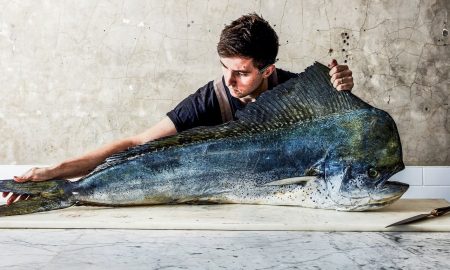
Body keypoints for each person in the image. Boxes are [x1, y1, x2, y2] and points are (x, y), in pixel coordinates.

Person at [3, 13, 353, 205]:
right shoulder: (208, 99)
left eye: (242, 73)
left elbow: (344, 140)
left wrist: (341, 92)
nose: (230, 81)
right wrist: (56, 171)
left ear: (268, 70)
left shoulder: (298, 92)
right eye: (224, 67)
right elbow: (137, 142)